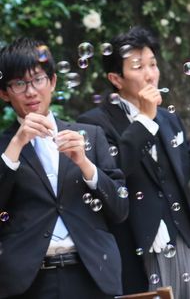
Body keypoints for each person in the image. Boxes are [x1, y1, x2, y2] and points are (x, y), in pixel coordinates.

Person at [78, 26, 190, 299]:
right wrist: (144, 119)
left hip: (185, 242)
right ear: (115, 79)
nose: (150, 74)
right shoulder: (94, 124)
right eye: (138, 66)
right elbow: (115, 172)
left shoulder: (169, 119)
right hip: (137, 249)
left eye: (153, 64)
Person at [0, 38, 128, 299]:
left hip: (92, 274)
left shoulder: (90, 135)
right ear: (4, 93)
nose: (31, 91)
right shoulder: (5, 147)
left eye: (38, 79)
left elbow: (120, 209)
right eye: (19, 83)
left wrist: (84, 163)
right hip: (29, 283)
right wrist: (15, 146)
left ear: (53, 82)